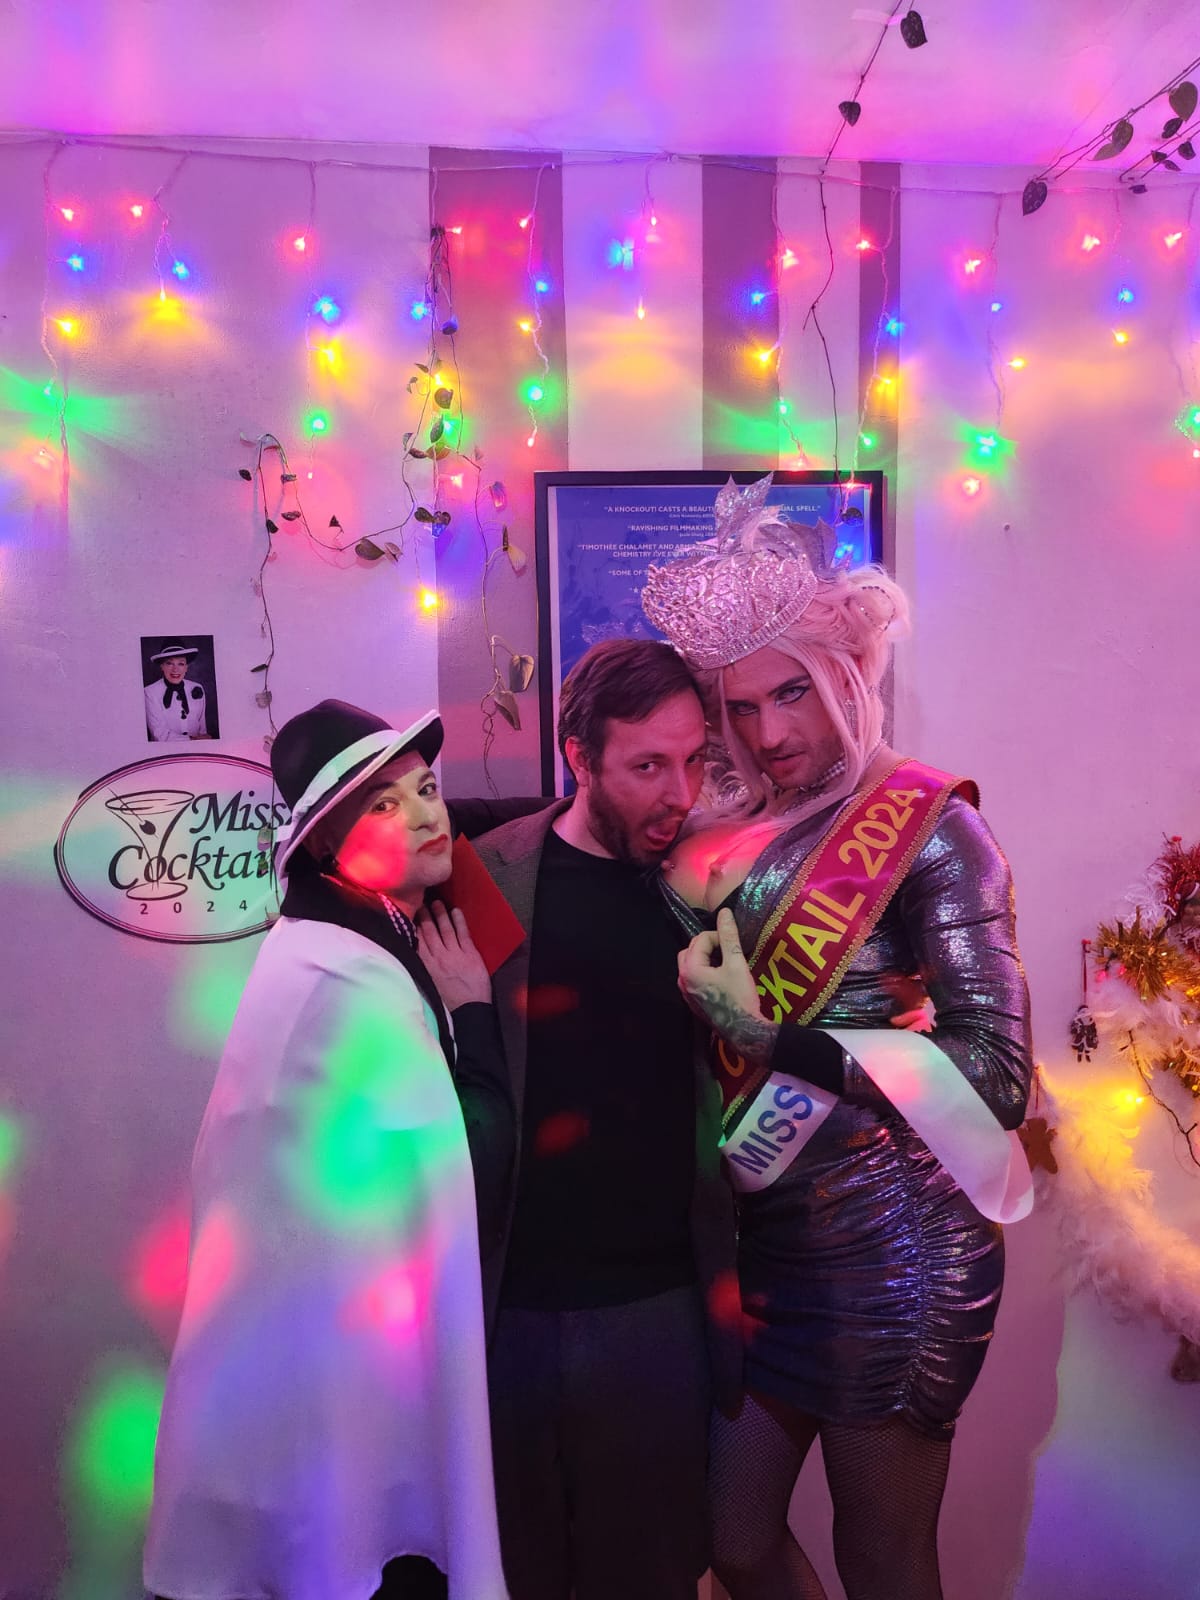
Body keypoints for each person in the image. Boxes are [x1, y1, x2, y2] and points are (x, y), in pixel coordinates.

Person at [641, 475, 1034, 1600]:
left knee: (885, 1556)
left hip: (898, 1247)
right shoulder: (719, 833)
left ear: (849, 679)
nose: (769, 734)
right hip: (766, 1246)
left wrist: (771, 1038)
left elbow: (997, 1077)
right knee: (733, 1540)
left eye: (792, 695)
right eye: (739, 708)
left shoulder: (935, 829)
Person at [144, 699, 514, 1600]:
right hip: (326, 1392)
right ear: (325, 846)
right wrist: (472, 1014)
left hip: (316, 1388)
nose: (425, 815)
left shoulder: (335, 938)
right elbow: (472, 1167)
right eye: (383, 805)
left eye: (426, 790)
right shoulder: (343, 976)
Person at [472, 638, 740, 1600]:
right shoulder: (487, 876)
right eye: (648, 767)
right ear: (578, 755)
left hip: (657, 1312)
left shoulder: (714, 884)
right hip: (505, 1309)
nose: (681, 793)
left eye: (695, 760)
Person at [145, 641, 210, 741]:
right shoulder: (149, 692)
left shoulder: (197, 687)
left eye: (181, 663)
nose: (175, 669)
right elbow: (159, 735)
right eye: (169, 663)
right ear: (162, 666)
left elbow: (202, 728)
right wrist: (193, 740)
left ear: (186, 667)